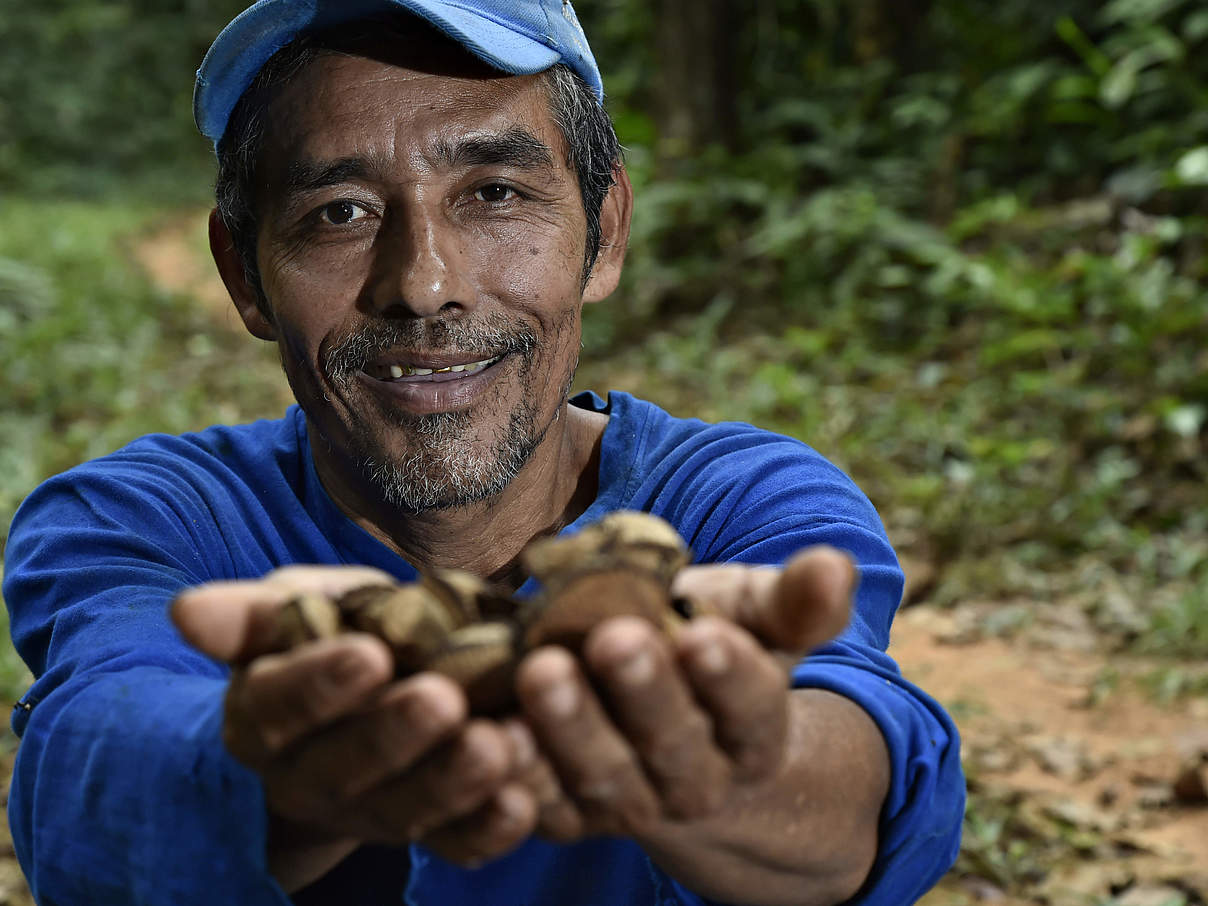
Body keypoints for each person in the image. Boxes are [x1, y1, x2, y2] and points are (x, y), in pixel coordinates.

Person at [3, 1, 964, 904]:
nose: (423, 285)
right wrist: (283, 773)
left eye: (496, 193)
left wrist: (717, 763)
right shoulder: (140, 520)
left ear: (605, 232)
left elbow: (865, 783)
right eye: (340, 211)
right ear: (245, 275)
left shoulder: (742, 502)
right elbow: (92, 762)